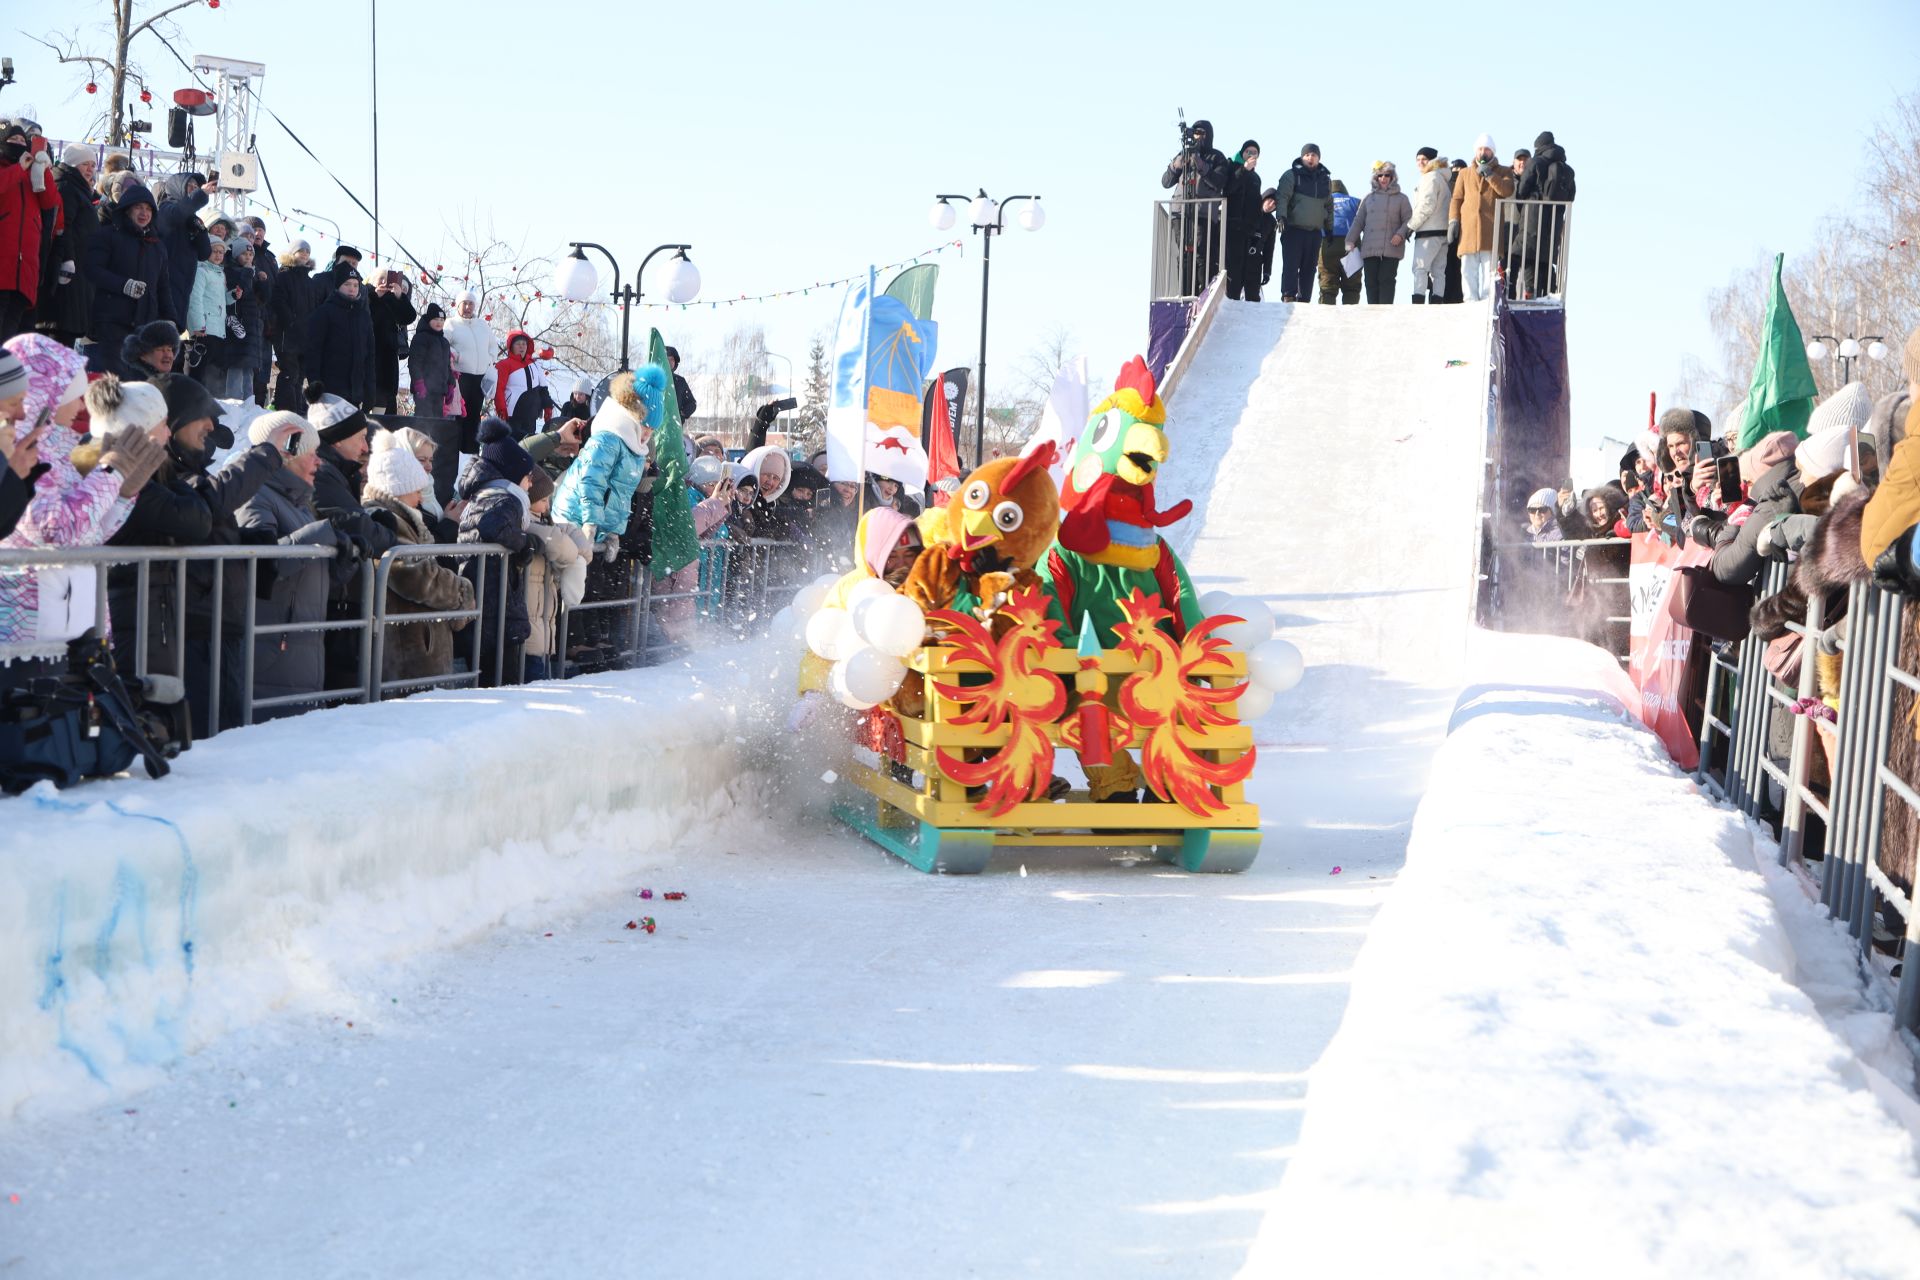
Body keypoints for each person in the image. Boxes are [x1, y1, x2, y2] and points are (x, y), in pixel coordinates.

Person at [0, 335, 161, 675]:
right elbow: (55, 528)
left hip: (78, 622)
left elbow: (89, 535)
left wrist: (123, 494)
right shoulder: (20, 453)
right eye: (72, 395)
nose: (80, 407)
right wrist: (111, 474)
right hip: (30, 632)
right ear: (46, 395)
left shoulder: (63, 447)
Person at [234, 410, 347, 719]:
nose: (318, 461)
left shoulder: (298, 502)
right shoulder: (255, 498)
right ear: (287, 454)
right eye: (311, 453)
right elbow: (260, 563)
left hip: (299, 660)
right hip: (271, 662)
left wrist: (341, 562)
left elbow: (301, 579)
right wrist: (322, 535)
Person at [98, 374, 208, 679]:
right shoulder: (125, 473)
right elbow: (196, 519)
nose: (167, 431)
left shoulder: (135, 473)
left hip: (143, 608)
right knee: (141, 698)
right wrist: (180, 479)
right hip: (131, 610)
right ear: (142, 428)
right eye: (162, 423)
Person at [361, 438, 473, 688]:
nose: (421, 499)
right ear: (399, 488)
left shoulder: (398, 517)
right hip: (408, 654)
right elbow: (416, 576)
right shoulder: (385, 519)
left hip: (416, 645)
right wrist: (462, 591)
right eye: (416, 491)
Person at [458, 420, 539, 685]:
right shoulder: (506, 499)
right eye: (528, 478)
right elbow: (493, 526)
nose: (530, 485)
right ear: (515, 475)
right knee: (502, 689)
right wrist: (524, 544)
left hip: (486, 606)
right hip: (496, 610)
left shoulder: (482, 496)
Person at [553, 365, 663, 556]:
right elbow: (591, 483)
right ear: (631, 416)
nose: (648, 433)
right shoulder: (607, 440)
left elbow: (622, 496)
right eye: (645, 425)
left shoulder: (635, 450)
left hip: (593, 528)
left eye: (652, 429)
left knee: (575, 578)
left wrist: (613, 532)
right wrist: (589, 525)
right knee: (569, 578)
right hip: (573, 518)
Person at [82, 178, 172, 375]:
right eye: (138, 207)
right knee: (114, 379)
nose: (144, 213)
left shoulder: (157, 246)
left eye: (148, 209)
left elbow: (163, 286)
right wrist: (124, 285)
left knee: (139, 382)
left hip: (145, 324)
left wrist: (170, 320)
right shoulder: (107, 235)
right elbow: (92, 269)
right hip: (112, 320)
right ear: (127, 209)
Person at [1160, 119, 1234, 296]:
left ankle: (1202, 294)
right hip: (1181, 212)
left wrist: (1200, 164)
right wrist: (1177, 163)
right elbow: (1166, 182)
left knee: (1202, 255)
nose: (1198, 137)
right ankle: (1184, 294)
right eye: (1195, 133)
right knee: (1183, 255)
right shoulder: (1183, 154)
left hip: (1203, 213)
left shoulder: (1217, 157)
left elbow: (1218, 182)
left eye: (1202, 133)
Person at [0, 123, 59, 343]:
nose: (17, 145)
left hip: (24, 272)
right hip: (3, 265)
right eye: (12, 141)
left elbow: (50, 202)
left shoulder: (30, 176)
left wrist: (43, 171)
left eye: (22, 142)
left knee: (10, 342)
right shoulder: (10, 171)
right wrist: (18, 169)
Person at [524, 485, 590, 680]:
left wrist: (582, 552)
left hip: (543, 622)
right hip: (530, 623)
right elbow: (557, 542)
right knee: (533, 676)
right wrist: (576, 557)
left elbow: (569, 530)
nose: (547, 506)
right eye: (543, 500)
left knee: (542, 671)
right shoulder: (526, 523)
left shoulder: (544, 521)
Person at [38, 143, 98, 347]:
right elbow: (64, 226)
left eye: (93, 165)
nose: (90, 169)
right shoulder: (66, 186)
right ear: (73, 164)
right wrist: (68, 259)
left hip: (79, 272)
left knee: (66, 333)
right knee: (59, 333)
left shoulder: (81, 189)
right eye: (85, 164)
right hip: (66, 273)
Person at [1447, 136, 1515, 303]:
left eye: (1486, 149)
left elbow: (1507, 190)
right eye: (1480, 149)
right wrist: (1453, 220)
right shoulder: (1464, 173)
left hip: (1490, 229)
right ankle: (1470, 299)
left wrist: (1490, 175)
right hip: (1468, 229)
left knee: (1489, 270)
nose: (1483, 152)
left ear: (1492, 151)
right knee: (1467, 269)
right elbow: (1456, 198)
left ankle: (1487, 300)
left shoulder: (1504, 171)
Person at [1513, 131, 1576, 299]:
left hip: (1533, 215)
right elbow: (1571, 196)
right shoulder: (1567, 169)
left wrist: (1523, 206)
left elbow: (1522, 188)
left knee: (1526, 253)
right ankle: (1549, 293)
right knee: (1546, 257)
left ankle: (1529, 292)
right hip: (1554, 219)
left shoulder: (1536, 162)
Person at [305, 264, 375, 408]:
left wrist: (369, 392)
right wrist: (315, 383)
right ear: (338, 286)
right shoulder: (324, 312)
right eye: (347, 284)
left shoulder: (363, 316)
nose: (352, 288)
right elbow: (313, 351)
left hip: (355, 393)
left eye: (356, 285)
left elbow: (369, 357)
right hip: (329, 392)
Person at [1272, 144, 1333, 303]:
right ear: (1302, 157)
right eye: (1307, 155)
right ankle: (1288, 295)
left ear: (1319, 158)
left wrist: (1329, 228)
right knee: (1291, 265)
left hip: (1314, 231)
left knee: (1309, 268)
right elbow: (1282, 197)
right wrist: (1281, 217)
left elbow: (1328, 206)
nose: (1310, 158)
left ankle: (1304, 299)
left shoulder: (1325, 180)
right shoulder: (1292, 175)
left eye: (1314, 155)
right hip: (1293, 228)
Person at [150, 172, 210, 331]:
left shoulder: (192, 218)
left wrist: (201, 231)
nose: (194, 190)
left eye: (196, 188)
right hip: (164, 284)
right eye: (190, 186)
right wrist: (201, 194)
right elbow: (177, 214)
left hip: (183, 285)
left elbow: (205, 253)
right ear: (178, 187)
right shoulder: (165, 208)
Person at [1347, 162, 1413, 306]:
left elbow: (1409, 219)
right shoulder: (1368, 198)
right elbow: (1358, 221)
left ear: (1392, 177)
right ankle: (1373, 312)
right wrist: (1350, 240)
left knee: (1386, 279)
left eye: (1387, 175)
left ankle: (1386, 311)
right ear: (1375, 178)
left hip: (1391, 246)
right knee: (1370, 281)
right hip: (1370, 246)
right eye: (1380, 175)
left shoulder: (1402, 198)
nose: (1383, 178)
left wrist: (1400, 235)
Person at [271, 239, 317, 411]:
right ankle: (285, 409)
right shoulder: (283, 276)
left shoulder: (310, 282)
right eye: (301, 250)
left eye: (307, 251)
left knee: (300, 376)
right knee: (289, 373)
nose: (305, 254)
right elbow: (279, 302)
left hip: (305, 336)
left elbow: (314, 308)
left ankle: (297, 409)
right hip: (287, 335)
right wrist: (290, 321)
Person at [445, 290, 494, 453]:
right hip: (461, 376)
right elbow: (443, 345)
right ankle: (456, 451)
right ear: (458, 305)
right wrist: (457, 355)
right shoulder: (451, 324)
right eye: (464, 303)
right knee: (460, 415)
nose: (467, 307)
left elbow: (492, 345)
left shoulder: (482, 325)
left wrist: (489, 359)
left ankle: (471, 452)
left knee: (474, 416)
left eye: (471, 304)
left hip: (479, 377)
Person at [1222, 141, 1267, 302]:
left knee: (1245, 267)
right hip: (1232, 225)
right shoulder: (1232, 167)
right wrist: (1244, 170)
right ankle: (1232, 298)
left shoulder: (1256, 178)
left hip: (1248, 228)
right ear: (1242, 153)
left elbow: (1256, 203)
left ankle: (1242, 300)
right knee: (1232, 266)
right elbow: (1228, 189)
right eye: (1248, 151)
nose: (1251, 154)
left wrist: (1256, 227)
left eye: (1254, 152)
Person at [223, 237, 266, 403]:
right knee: (236, 366)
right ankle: (234, 401)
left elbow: (263, 299)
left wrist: (263, 282)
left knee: (249, 368)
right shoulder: (232, 271)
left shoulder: (252, 274)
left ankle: (249, 403)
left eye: (250, 254)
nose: (248, 257)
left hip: (252, 326)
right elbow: (243, 291)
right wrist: (249, 272)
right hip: (238, 325)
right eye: (244, 254)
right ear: (235, 255)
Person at [185, 236, 231, 392]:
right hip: (204, 328)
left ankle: (207, 401)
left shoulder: (220, 274)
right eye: (214, 251)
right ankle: (195, 401)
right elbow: (194, 299)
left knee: (212, 371)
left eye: (221, 252)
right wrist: (198, 325)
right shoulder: (201, 271)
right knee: (199, 369)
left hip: (218, 328)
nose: (218, 255)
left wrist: (232, 296)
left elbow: (222, 300)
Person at [368, 269, 417, 415]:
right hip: (369, 356)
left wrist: (399, 297)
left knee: (383, 403)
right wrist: (375, 297)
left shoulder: (391, 300)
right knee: (368, 402)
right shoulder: (366, 295)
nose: (384, 282)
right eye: (381, 278)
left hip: (387, 360)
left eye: (386, 279)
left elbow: (408, 317)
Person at [1406, 149, 1453, 304]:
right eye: (1418, 159)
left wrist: (1411, 226)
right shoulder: (1442, 178)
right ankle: (1437, 302)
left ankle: (1418, 303)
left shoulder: (1430, 177)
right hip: (1442, 231)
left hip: (1428, 231)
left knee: (1420, 268)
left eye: (1424, 159)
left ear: (1433, 160)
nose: (1420, 162)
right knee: (1438, 272)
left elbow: (1426, 205)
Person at [493, 329, 553, 437]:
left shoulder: (535, 365)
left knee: (528, 448)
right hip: (512, 416)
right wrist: (501, 410)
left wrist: (548, 407)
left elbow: (543, 389)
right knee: (512, 447)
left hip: (531, 416)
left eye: (524, 344)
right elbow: (499, 389)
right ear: (511, 346)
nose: (521, 346)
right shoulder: (504, 365)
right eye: (518, 344)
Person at [1316, 180, 1362, 306]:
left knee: (1327, 286)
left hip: (1327, 245)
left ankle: (1326, 318)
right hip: (1351, 245)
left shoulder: (1321, 204)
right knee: (1351, 287)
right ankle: (1349, 319)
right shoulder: (1356, 202)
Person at [407, 303, 454, 419]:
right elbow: (415, 363)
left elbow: (448, 366)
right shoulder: (421, 338)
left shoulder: (444, 342)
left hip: (439, 391)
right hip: (424, 389)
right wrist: (418, 382)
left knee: (437, 424)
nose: (439, 322)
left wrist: (450, 384)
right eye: (436, 319)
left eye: (442, 320)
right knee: (424, 423)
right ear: (429, 320)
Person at [120, 319, 182, 384]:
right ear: (142, 355)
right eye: (160, 349)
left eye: (169, 349)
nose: (167, 355)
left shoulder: (173, 383)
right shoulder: (135, 386)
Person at [665, 345, 697, 421]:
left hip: (675, 427)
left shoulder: (680, 381)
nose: (669, 362)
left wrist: (681, 414)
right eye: (667, 359)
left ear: (675, 362)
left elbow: (692, 403)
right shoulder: (654, 379)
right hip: (657, 427)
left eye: (672, 359)